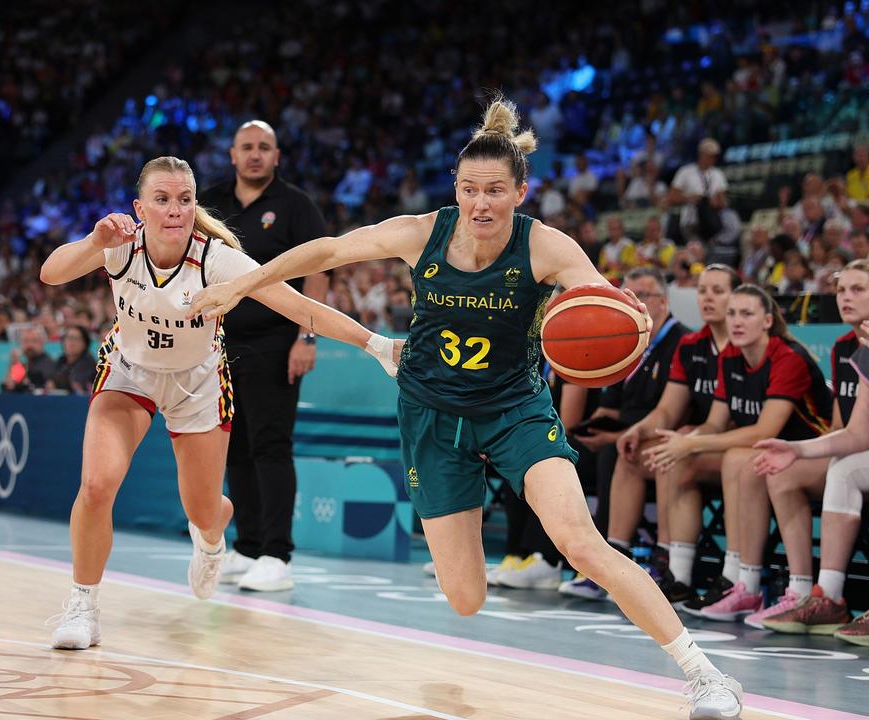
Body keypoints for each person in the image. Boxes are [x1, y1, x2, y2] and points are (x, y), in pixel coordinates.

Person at [191, 98, 744, 718]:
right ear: (456, 188)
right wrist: (240, 284)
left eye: (496, 191)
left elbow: (603, 307)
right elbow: (323, 251)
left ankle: (705, 675)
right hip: (431, 413)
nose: (482, 203)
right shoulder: (420, 232)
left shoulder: (547, 247)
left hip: (516, 409)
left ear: (520, 191)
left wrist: (630, 320)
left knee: (580, 543)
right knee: (465, 599)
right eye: (470, 189)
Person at [39, 155, 396, 651]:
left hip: (197, 383)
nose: (175, 210)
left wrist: (376, 345)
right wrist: (94, 241)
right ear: (140, 208)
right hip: (130, 374)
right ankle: (83, 604)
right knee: (97, 485)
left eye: (184, 199)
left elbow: (300, 307)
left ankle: (211, 537)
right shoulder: (121, 247)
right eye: (162, 200)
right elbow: (51, 274)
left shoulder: (217, 258)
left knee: (204, 508)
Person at [643, 286, 831, 623]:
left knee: (735, 459)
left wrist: (694, 443)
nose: (737, 321)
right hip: (769, 454)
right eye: (732, 314)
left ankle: (744, 582)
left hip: (814, 452)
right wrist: (687, 438)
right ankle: (678, 576)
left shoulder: (787, 357)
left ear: (768, 321)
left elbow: (764, 431)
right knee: (678, 457)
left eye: (747, 314)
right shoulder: (730, 355)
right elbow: (716, 422)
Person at [198, 120, 330, 592]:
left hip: (277, 344)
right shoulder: (209, 202)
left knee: (271, 445)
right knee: (233, 447)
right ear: (232, 155)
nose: (255, 155)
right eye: (247, 147)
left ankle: (278, 555)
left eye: (264, 148)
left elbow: (318, 273)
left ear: (277, 156)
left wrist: (306, 338)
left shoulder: (296, 206)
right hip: (216, 345)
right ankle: (248, 546)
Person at [596, 265, 739, 605]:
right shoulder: (691, 345)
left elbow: (747, 419)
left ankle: (670, 566)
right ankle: (615, 563)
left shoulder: (746, 344)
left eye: (718, 291)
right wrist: (637, 429)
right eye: (703, 290)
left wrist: (691, 437)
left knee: (671, 453)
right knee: (632, 454)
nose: (707, 298)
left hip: (733, 446)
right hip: (700, 442)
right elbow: (667, 411)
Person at [752, 263, 869, 645]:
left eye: (858, 289)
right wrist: (796, 449)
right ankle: (821, 595)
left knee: (847, 468)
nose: (846, 297)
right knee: (841, 467)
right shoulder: (852, 348)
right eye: (842, 290)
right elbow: (853, 433)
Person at [558, 267, 689, 601]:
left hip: (660, 435)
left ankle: (605, 561)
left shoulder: (681, 342)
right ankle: (549, 556)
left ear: (664, 301)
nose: (635, 303)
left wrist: (615, 436)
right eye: (628, 296)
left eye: (643, 295)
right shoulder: (627, 341)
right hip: (625, 431)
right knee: (558, 455)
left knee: (611, 455)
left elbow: (672, 413)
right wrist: (592, 429)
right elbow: (610, 408)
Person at [50, 324, 96, 395]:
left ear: (84, 343)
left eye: (75, 338)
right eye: (68, 338)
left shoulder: (89, 363)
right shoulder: (61, 360)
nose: (71, 342)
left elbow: (76, 383)